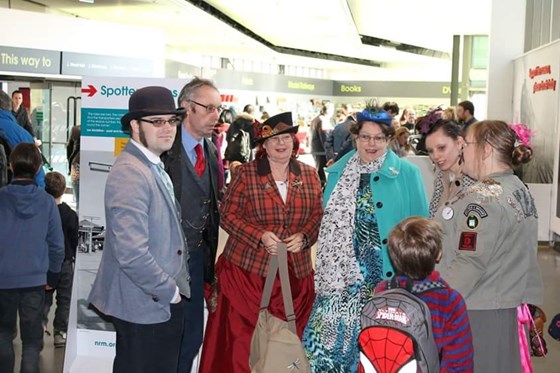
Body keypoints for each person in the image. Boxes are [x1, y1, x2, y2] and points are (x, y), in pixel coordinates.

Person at [303, 107, 429, 372]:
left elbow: (422, 232)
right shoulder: (338, 173)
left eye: (379, 138)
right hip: (338, 281)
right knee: (324, 351)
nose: (371, 144)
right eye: (365, 137)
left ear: (388, 139)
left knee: (376, 354)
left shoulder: (406, 174)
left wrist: (415, 280)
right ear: (355, 138)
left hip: (383, 281)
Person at [199, 112, 323, 373]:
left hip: (295, 277)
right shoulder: (246, 174)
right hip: (248, 275)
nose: (281, 144)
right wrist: (259, 236)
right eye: (274, 139)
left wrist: (305, 237)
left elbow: (317, 216)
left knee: (285, 345)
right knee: (240, 345)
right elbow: (228, 216)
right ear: (263, 146)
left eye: (286, 138)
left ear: (294, 141)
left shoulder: (310, 175)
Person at [88, 86, 190, 373]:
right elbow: (131, 253)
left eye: (171, 121)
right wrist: (169, 291)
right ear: (134, 125)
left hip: (152, 304)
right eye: (157, 122)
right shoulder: (131, 172)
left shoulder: (152, 165)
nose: (167, 128)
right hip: (145, 306)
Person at [438, 120, 543, 373]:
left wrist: (436, 300)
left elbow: (470, 262)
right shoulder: (517, 188)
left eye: (467, 144)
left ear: (486, 150)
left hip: (480, 310)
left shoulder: (483, 199)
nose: (462, 150)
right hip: (507, 305)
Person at [162, 77, 221, 373]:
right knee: (163, 339)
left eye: (219, 109)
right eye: (209, 108)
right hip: (162, 261)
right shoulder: (162, 149)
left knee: (192, 337)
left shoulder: (210, 151)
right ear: (186, 107)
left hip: (196, 261)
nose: (216, 116)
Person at [375, 217, 474, 372]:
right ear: (438, 254)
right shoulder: (449, 301)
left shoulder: (382, 290)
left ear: (394, 257)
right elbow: (459, 361)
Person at [0, 143, 64, 373]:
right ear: (38, 168)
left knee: (3, 335)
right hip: (35, 281)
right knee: (31, 342)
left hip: (3, 281)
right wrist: (53, 276)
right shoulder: (46, 202)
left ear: (10, 165)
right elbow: (57, 245)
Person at [43, 171, 79, 348]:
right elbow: (75, 239)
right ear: (64, 190)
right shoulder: (70, 214)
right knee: (65, 300)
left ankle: (39, 325)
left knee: (44, 298)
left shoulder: (42, 213)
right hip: (65, 262)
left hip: (46, 262)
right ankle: (59, 333)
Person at [425, 120, 475, 218]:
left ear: (459, 143)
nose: (435, 156)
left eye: (441, 148)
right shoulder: (441, 177)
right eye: (430, 151)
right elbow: (432, 217)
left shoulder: (474, 178)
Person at [0, 91, 45, 188]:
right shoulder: (22, 135)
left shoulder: (23, 112)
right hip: (12, 194)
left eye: (19, 98)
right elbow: (38, 174)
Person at [66, 125, 81, 208]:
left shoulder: (75, 129)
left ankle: (79, 216)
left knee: (78, 198)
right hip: (93, 165)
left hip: (76, 165)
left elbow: (69, 148)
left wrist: (70, 166)